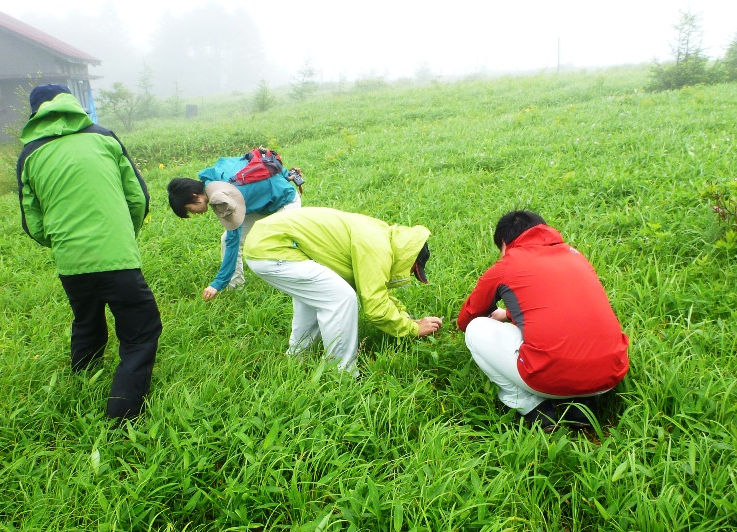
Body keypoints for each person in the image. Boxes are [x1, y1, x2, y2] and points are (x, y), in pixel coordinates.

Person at [16, 84, 162, 420]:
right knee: (141, 333)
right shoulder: (104, 137)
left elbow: (32, 222)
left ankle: (83, 378)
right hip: (118, 258)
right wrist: (124, 236)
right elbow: (138, 197)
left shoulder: (30, 153)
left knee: (86, 319)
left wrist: (65, 244)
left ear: (36, 112)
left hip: (71, 263)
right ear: (73, 103)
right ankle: (122, 415)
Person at [456, 210, 629, 431]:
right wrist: (509, 314)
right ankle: (582, 405)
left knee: (475, 329)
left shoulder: (506, 264)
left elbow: (467, 318)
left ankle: (535, 410)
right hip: (611, 373)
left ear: (504, 244)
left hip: (548, 379)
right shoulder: (575, 255)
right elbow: (562, 304)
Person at [243, 207, 443, 374]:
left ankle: (298, 356)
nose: (408, 273)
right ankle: (342, 373)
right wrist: (413, 330)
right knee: (341, 297)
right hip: (274, 248)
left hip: (266, 242)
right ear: (409, 259)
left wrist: (407, 319)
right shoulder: (377, 249)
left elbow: (378, 291)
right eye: (412, 270)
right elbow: (375, 306)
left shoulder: (381, 237)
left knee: (320, 293)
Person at [167, 149, 302, 301]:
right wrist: (284, 175)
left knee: (275, 242)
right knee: (226, 239)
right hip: (261, 205)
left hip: (285, 202)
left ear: (194, 196)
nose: (194, 214)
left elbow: (234, 239)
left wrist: (217, 284)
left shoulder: (221, 198)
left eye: (190, 210)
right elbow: (248, 162)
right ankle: (236, 288)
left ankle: (301, 279)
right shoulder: (214, 175)